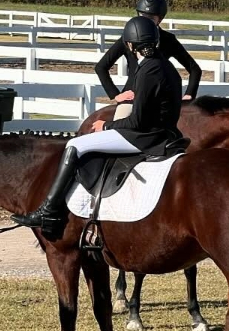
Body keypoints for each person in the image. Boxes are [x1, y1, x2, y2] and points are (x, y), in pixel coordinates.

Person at [12, 16, 183, 234]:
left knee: (75, 145)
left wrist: (107, 125)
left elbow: (137, 122)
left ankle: (48, 210)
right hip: (165, 134)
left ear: (130, 45)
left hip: (146, 138)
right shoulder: (166, 66)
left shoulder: (147, 70)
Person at [94, 0, 202, 121]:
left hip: (161, 100)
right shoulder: (128, 37)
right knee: (119, 129)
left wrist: (189, 94)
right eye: (142, 15)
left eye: (151, 18)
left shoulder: (168, 40)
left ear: (160, 19)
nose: (145, 21)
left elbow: (194, 69)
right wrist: (115, 95)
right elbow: (101, 67)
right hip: (131, 99)